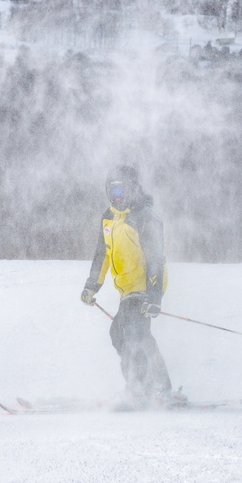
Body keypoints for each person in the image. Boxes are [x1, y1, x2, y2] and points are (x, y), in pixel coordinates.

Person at [80, 165, 177, 406]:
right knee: (119, 334)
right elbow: (101, 255)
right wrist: (92, 285)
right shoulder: (108, 217)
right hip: (126, 289)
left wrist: (154, 298)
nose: (118, 197)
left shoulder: (145, 217)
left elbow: (156, 260)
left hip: (146, 286)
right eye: (112, 191)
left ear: (133, 189)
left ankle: (157, 389)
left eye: (121, 190)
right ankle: (139, 386)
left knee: (137, 334)